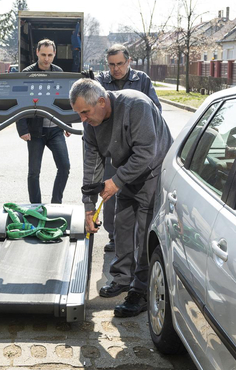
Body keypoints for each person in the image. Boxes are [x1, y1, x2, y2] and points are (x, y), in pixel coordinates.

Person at [70, 78, 173, 317]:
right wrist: (88, 207)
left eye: (85, 112)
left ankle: (141, 290)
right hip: (128, 170)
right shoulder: (91, 125)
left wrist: (116, 181)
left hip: (154, 170)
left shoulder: (136, 106)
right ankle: (122, 277)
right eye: (79, 114)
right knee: (122, 222)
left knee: (146, 230)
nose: (82, 119)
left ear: (103, 102)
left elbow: (146, 152)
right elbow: (91, 165)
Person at [94, 44, 162, 253]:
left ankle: (138, 240)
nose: (116, 69)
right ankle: (114, 236)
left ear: (128, 61)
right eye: (112, 65)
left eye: (120, 64)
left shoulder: (142, 80)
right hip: (112, 150)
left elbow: (155, 109)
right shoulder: (100, 82)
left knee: (139, 195)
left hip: (137, 148)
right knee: (110, 191)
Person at [18, 39, 70, 204]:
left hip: (55, 129)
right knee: (34, 172)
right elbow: (19, 101)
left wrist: (67, 123)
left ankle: (56, 203)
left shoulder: (58, 72)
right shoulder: (27, 73)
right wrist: (22, 129)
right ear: (37, 53)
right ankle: (35, 205)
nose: (46, 59)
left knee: (65, 167)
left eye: (49, 55)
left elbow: (65, 99)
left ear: (54, 54)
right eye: (43, 55)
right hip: (35, 131)